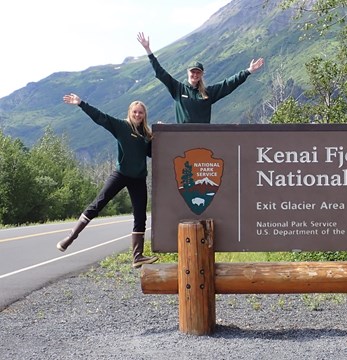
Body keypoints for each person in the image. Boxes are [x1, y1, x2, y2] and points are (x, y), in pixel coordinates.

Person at [56, 93, 158, 269]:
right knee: (98, 204)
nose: (137, 115)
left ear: (144, 115)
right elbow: (100, 117)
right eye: (135, 112)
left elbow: (150, 153)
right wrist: (81, 103)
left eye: (141, 113)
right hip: (121, 174)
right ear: (130, 112)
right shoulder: (121, 126)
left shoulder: (146, 134)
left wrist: (160, 135)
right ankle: (71, 237)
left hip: (139, 179)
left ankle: (138, 256)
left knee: (140, 216)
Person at [136, 32, 264, 124]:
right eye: (193, 72)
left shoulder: (207, 93)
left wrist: (248, 71)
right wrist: (148, 50)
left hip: (202, 136)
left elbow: (228, 84)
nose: (195, 75)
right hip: (182, 137)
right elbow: (161, 73)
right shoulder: (178, 89)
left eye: (198, 72)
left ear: (202, 74)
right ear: (188, 72)